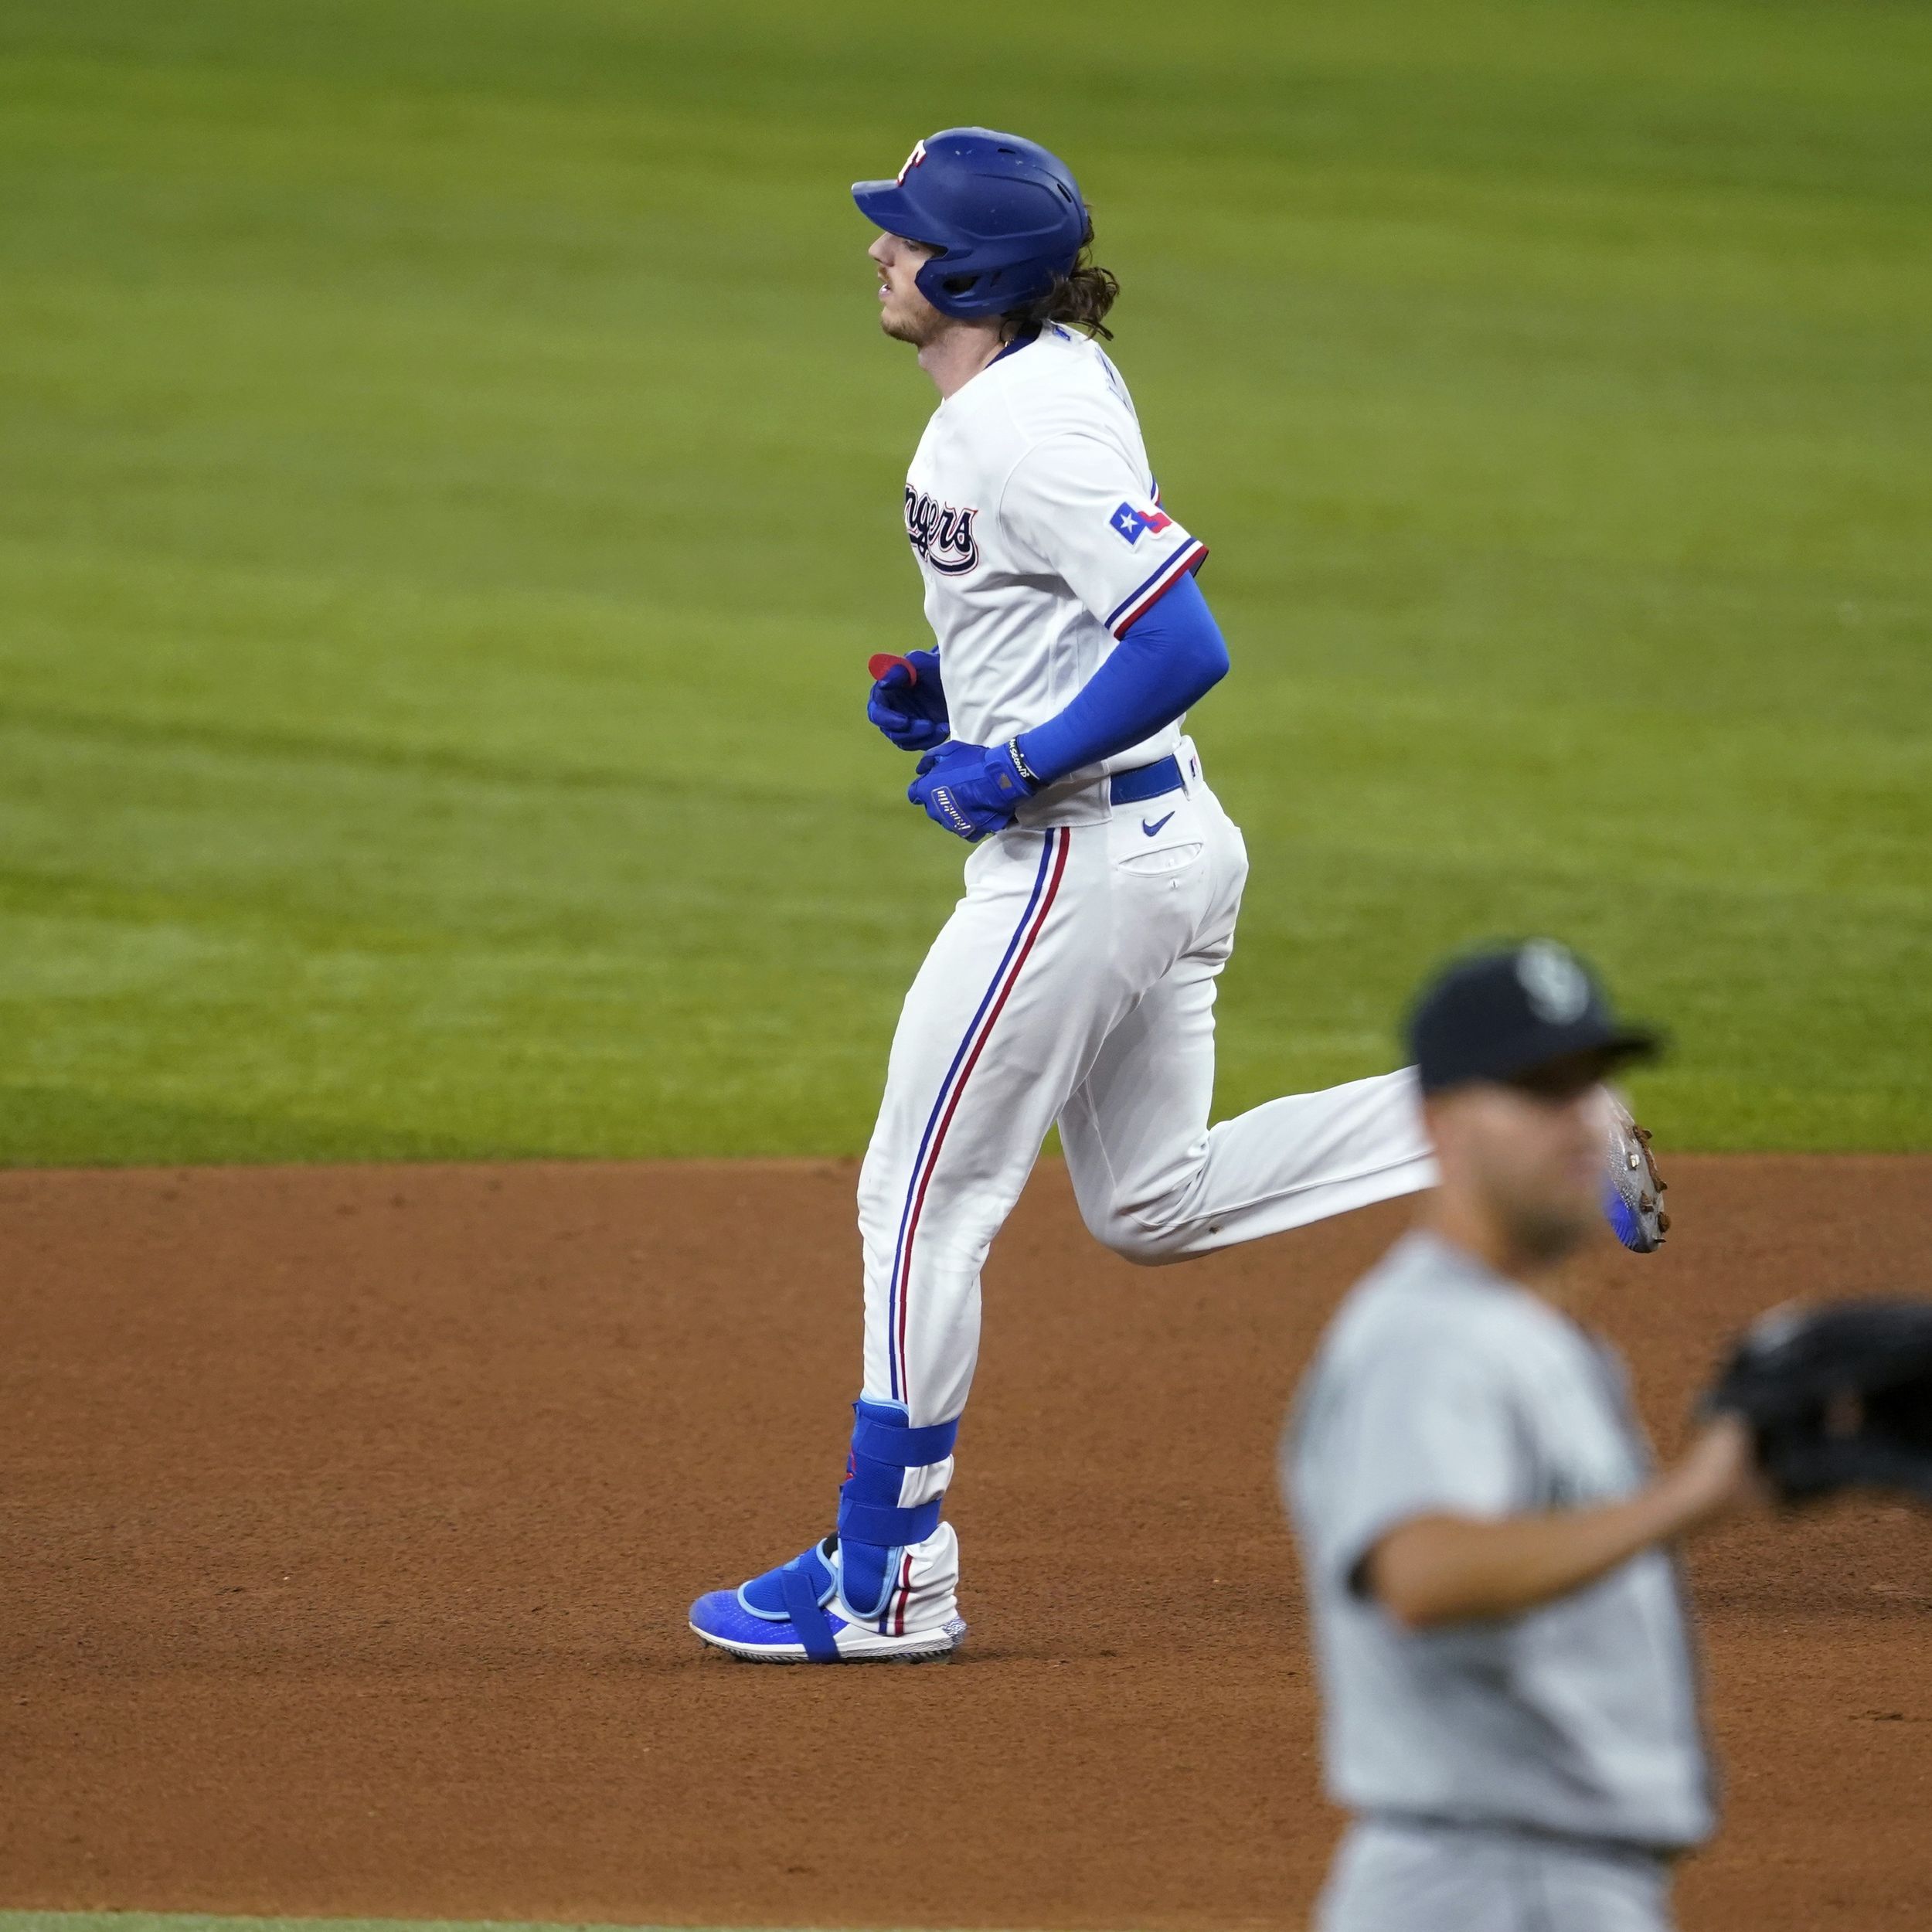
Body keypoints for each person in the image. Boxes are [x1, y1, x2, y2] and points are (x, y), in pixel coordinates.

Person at [687, 130, 1668, 1665]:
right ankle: (1534, 1118)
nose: (877, 249)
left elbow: (1181, 640)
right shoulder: (1040, 377)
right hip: (1162, 837)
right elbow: (1075, 606)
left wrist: (1011, 757)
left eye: (905, 234)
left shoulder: (1024, 432)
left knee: (919, 1195)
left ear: (973, 275)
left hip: (1078, 860)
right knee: (1149, 1200)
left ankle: (883, 1576)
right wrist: (963, 690)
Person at [1284, 940, 1757, 1930]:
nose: (1580, 1119)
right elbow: (1425, 1569)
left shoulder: (1538, 1337)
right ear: (1436, 1124)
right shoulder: (1426, 1338)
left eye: (1589, 1083)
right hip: (1492, 1887)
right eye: (1537, 1090)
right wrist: (1689, 1499)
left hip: (1543, 1881)